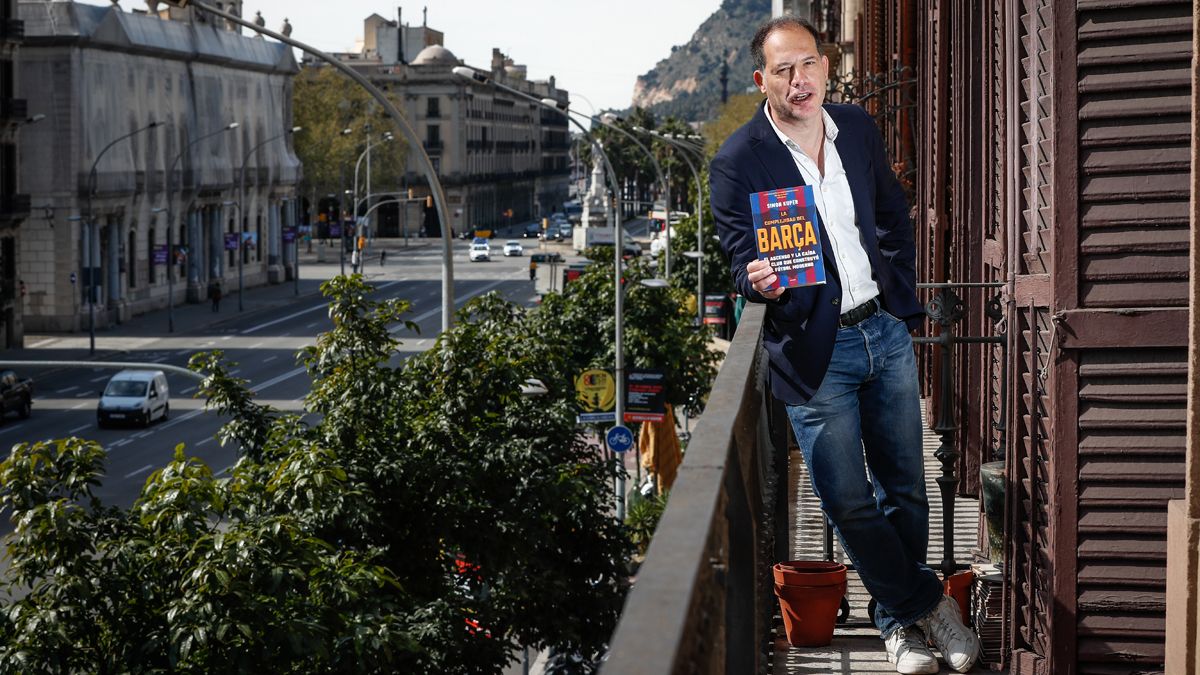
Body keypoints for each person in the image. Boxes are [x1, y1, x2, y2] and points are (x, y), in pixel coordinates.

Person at [709, 17, 978, 675]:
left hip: (880, 328)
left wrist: (897, 289)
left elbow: (890, 211)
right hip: (813, 346)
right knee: (846, 498)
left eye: (809, 65)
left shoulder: (855, 126)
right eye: (783, 70)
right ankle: (930, 603)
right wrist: (758, 278)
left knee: (906, 489)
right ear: (761, 80)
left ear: (826, 67)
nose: (799, 80)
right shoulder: (739, 160)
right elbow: (739, 254)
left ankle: (897, 628)